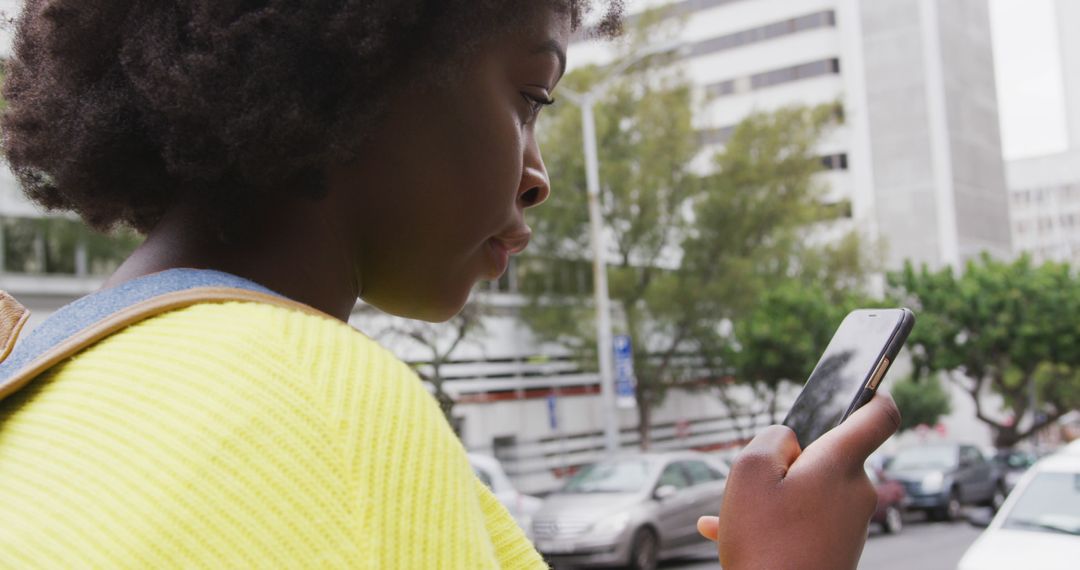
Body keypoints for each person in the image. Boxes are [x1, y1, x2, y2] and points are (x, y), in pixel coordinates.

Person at [0, 1, 899, 568]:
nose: (538, 174)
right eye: (532, 97)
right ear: (353, 71)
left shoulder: (46, 391)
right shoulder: (323, 406)